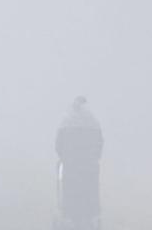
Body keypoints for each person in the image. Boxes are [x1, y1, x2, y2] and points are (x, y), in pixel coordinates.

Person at [54, 96, 103, 230]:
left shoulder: (66, 121)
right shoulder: (93, 122)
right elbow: (99, 145)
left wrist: (65, 157)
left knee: (69, 191)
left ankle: (70, 216)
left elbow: (58, 146)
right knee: (90, 191)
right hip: (89, 166)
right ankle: (90, 217)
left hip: (70, 166)